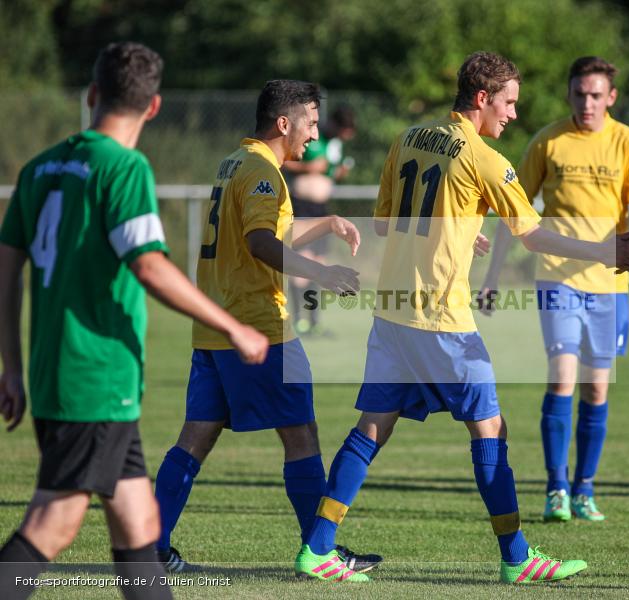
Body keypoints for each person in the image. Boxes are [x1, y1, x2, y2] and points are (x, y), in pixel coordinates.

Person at [294, 51, 629, 584]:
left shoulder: (409, 139)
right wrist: (607, 253)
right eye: (508, 103)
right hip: (442, 320)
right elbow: (532, 233)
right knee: (490, 427)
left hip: (393, 315)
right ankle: (517, 559)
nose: (512, 114)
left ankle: (317, 549)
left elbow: (388, 228)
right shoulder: (485, 158)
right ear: (482, 98)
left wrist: (458, 230)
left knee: (371, 428)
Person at [0, 42, 269, 600]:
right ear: (153, 108)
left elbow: (5, 273)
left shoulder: (40, 168)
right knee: (53, 526)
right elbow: (148, 266)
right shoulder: (123, 168)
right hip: (94, 376)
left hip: (62, 373)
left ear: (93, 95)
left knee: (140, 522)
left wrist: (12, 367)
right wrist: (233, 326)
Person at [152, 80, 380, 577]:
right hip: (258, 324)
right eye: (311, 123)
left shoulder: (235, 162)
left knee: (195, 437)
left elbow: (267, 231)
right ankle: (319, 552)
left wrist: (328, 222)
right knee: (301, 434)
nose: (315, 135)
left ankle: (151, 547)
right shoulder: (263, 171)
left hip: (215, 328)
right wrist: (322, 272)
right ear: (284, 123)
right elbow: (260, 243)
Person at [479, 56, 629, 523]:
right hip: (556, 276)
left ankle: (585, 489)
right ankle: (556, 487)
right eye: (580, 94)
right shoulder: (549, 141)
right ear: (569, 94)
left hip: (610, 286)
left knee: (596, 389)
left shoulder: (627, 143)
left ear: (611, 97)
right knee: (562, 377)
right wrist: (493, 276)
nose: (587, 103)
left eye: (596, 95)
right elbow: (512, 209)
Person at [282, 105, 357, 335]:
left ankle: (314, 321)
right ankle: (298, 320)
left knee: (319, 262)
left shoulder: (336, 145)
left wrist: (336, 173)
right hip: (302, 205)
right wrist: (308, 168)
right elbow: (284, 161)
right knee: (301, 263)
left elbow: (329, 171)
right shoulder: (312, 137)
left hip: (321, 208)